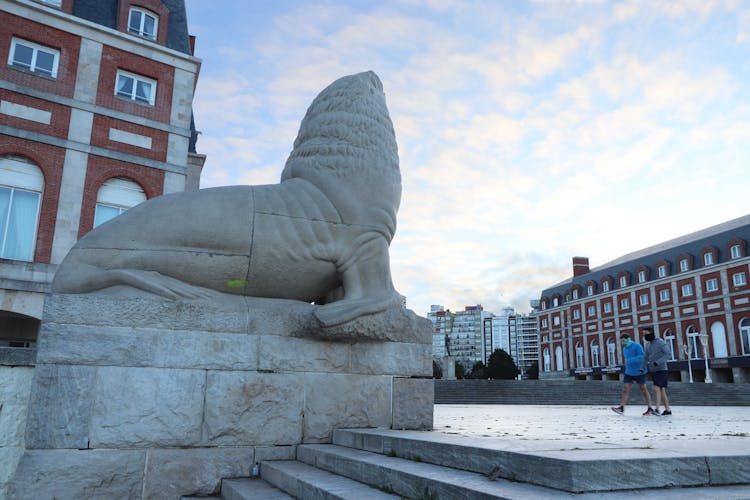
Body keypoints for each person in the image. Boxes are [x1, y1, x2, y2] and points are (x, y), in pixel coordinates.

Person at [611, 333, 656, 416]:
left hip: (639, 371)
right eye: (621, 341)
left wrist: (630, 360)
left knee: (643, 389)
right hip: (629, 372)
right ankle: (621, 407)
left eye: (623, 341)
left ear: (628, 339)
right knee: (625, 389)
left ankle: (650, 408)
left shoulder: (637, 346)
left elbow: (642, 357)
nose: (622, 343)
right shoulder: (625, 349)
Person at [644, 327, 672, 416]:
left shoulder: (660, 342)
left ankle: (657, 409)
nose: (645, 336)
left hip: (662, 369)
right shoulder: (647, 345)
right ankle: (668, 410)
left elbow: (668, 354)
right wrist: (642, 368)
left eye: (646, 334)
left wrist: (658, 362)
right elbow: (645, 357)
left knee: (656, 388)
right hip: (653, 370)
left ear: (651, 333)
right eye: (644, 334)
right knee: (661, 390)